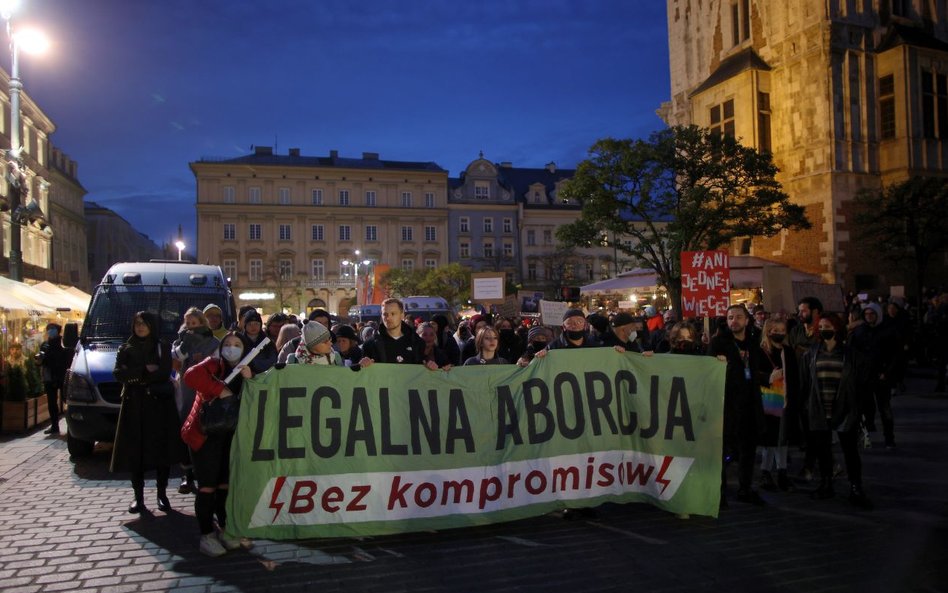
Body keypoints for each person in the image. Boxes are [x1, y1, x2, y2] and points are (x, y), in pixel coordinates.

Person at [182, 332, 254, 556]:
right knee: (207, 487)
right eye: (228, 344)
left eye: (237, 345)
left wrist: (251, 379)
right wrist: (220, 390)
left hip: (230, 437)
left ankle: (225, 529)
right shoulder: (213, 365)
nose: (231, 348)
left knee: (225, 485)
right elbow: (190, 376)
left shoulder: (247, 370)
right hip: (204, 436)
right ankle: (206, 535)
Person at [110, 311, 181, 514]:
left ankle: (162, 494)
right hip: (134, 404)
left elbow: (164, 371)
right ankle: (138, 497)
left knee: (161, 449)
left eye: (144, 323)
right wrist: (143, 372)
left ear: (152, 326)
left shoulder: (162, 346)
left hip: (158, 404)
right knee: (136, 451)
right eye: (137, 323)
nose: (140, 327)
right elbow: (118, 374)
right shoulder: (126, 347)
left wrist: (134, 373)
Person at [799, 313, 872, 508]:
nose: (824, 329)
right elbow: (805, 382)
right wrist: (806, 405)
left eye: (828, 325)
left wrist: (861, 408)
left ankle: (856, 487)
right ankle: (826, 483)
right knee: (823, 450)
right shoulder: (812, 353)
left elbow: (861, 383)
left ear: (837, 328)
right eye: (821, 326)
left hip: (844, 407)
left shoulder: (850, 354)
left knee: (850, 451)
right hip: (819, 407)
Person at [708, 304, 766, 506]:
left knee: (748, 450)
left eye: (738, 317)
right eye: (730, 317)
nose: (734, 321)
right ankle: (720, 492)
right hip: (728, 404)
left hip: (750, 403)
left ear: (747, 320)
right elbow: (709, 371)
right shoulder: (719, 343)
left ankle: (745, 488)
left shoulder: (753, 342)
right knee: (723, 450)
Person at [171, 307, 220, 494]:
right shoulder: (181, 340)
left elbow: (215, 362)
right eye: (188, 323)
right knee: (186, 425)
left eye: (194, 323)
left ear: (201, 322)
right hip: (186, 388)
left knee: (203, 426)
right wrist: (185, 345)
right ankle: (187, 472)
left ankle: (203, 470)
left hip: (204, 388)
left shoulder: (212, 341)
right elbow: (177, 358)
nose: (191, 326)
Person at [756, 318, 801, 492]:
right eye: (776, 329)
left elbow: (795, 376)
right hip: (768, 402)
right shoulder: (762, 351)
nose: (780, 333)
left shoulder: (788, 351)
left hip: (786, 400)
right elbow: (753, 373)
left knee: (783, 439)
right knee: (770, 439)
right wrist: (768, 377)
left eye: (782, 330)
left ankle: (782, 472)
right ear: (768, 331)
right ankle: (766, 472)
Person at [849, 302, 898, 448]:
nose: (869, 317)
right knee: (864, 408)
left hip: (881, 376)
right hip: (864, 377)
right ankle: (865, 436)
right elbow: (853, 352)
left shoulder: (887, 332)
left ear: (878, 315)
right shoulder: (859, 331)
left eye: (872, 314)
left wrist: (887, 372)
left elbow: (894, 355)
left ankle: (889, 438)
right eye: (867, 314)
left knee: (885, 409)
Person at [361, 298, 438, 369]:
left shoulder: (417, 342)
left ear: (402, 315)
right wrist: (362, 364)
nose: (388, 317)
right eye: (385, 314)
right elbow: (361, 375)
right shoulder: (370, 345)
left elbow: (422, 370)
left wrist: (434, 367)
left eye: (393, 313)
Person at [35, 323, 68, 435]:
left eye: (52, 329)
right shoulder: (45, 344)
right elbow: (41, 362)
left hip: (61, 376)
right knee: (51, 403)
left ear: (58, 331)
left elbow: (65, 360)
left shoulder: (63, 343)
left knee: (67, 400)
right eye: (48, 329)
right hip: (49, 376)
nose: (50, 331)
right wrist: (39, 361)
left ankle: (71, 425)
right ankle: (54, 426)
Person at [238, 309, 277, 374]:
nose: (253, 327)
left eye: (256, 324)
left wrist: (254, 363)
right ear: (245, 326)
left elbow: (273, 360)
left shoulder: (268, 342)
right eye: (250, 324)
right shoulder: (239, 341)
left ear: (260, 325)